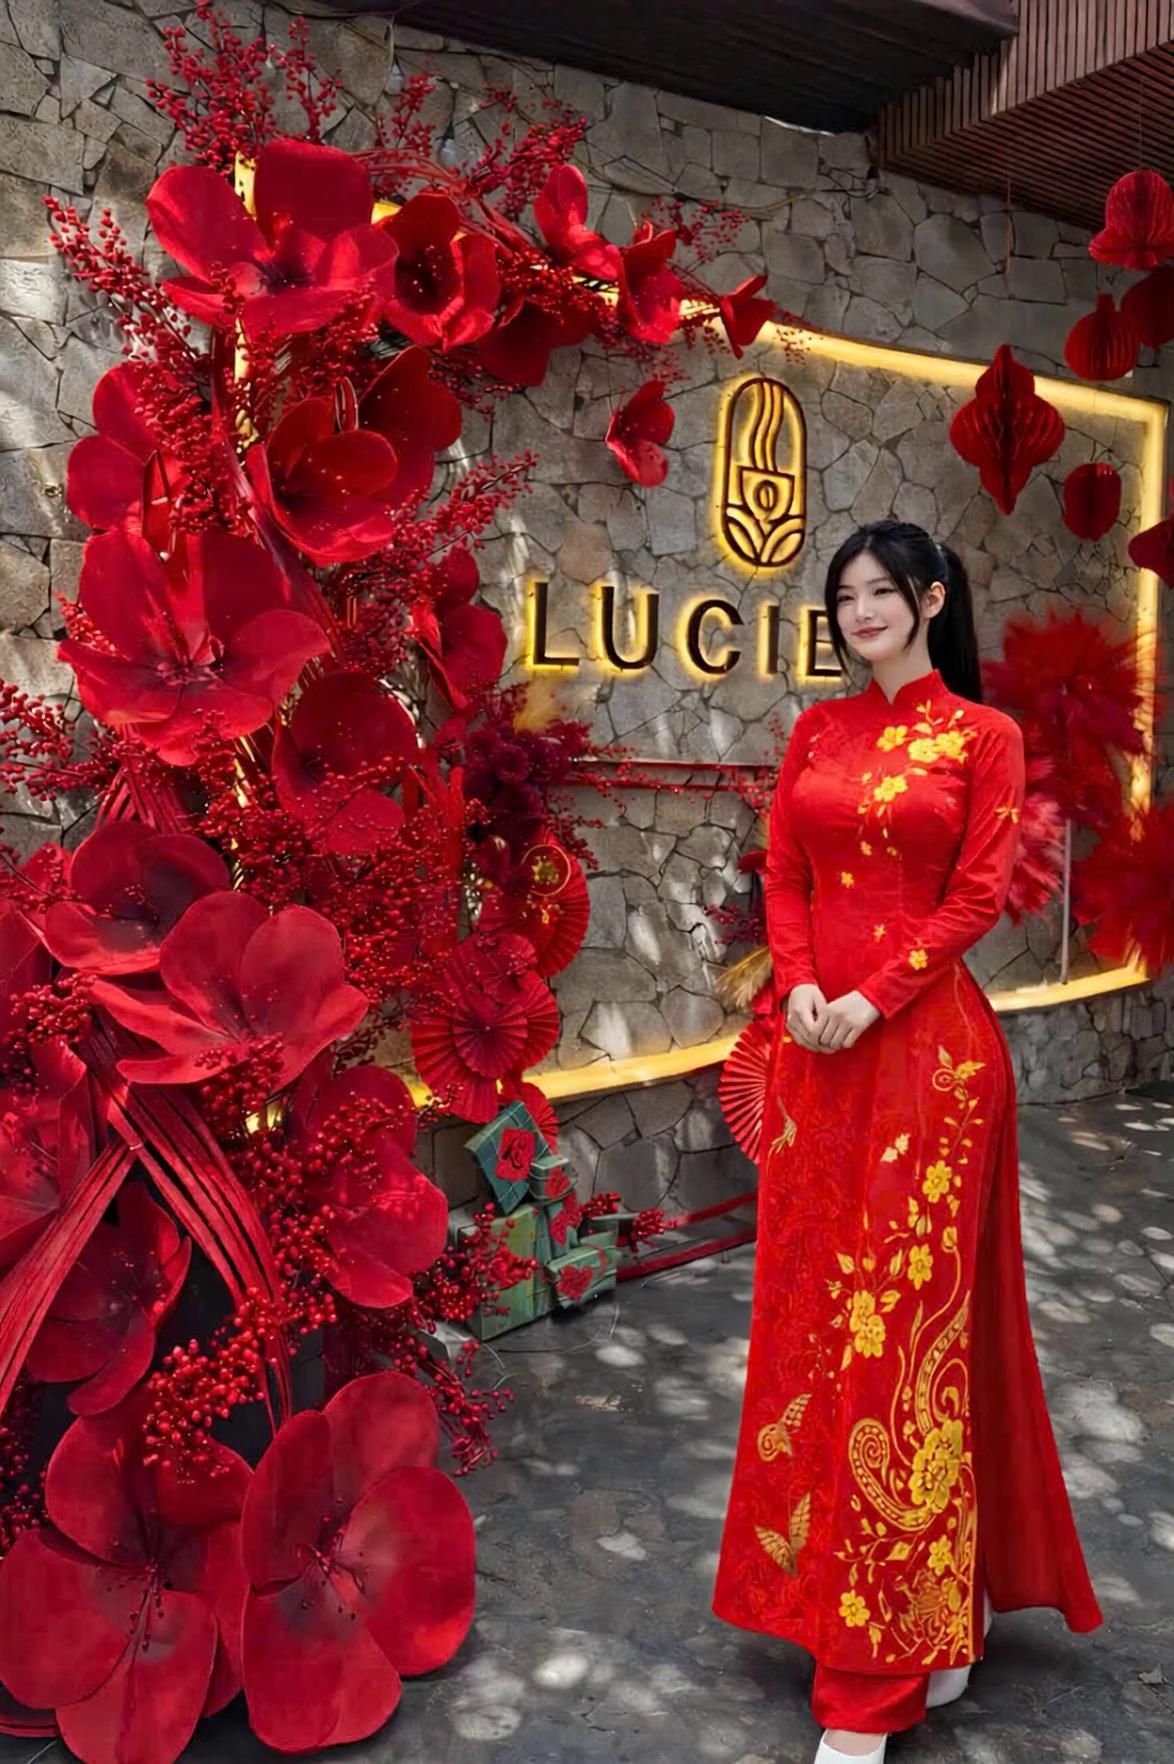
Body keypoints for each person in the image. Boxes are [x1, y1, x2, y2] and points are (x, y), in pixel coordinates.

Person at [711, 521, 1103, 1763]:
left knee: (904, 1348)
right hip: (818, 1060)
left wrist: (869, 997)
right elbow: (781, 868)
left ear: (931, 599)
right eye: (844, 595)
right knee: (810, 1335)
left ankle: (875, 1683)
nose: (860, 610)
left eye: (882, 591)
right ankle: (923, 1618)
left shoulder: (982, 738)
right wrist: (800, 989)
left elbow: (977, 896)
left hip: (928, 1071)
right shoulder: (816, 732)